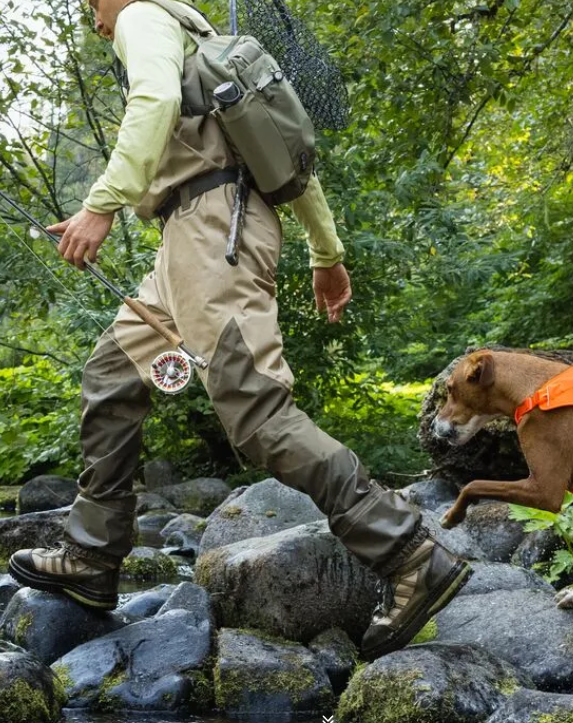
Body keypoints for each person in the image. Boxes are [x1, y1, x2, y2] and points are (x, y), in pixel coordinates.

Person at [7, 0, 470, 660]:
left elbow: (155, 100)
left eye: (90, 5)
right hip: (193, 240)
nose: (93, 21)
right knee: (112, 373)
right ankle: (91, 556)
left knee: (256, 414)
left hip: (209, 235)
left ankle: (408, 552)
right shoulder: (215, 48)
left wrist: (99, 205)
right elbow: (285, 159)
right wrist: (326, 254)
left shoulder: (141, 17)